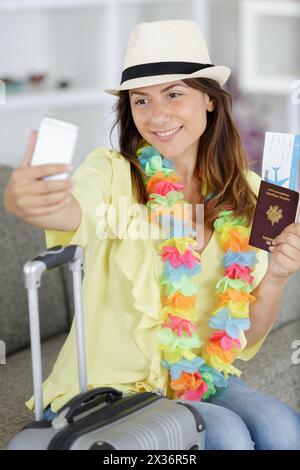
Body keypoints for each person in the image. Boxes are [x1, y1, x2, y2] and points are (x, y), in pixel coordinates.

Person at [4, 19, 300, 450]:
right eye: (141, 100)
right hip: (109, 389)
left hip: (199, 378)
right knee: (227, 437)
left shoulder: (252, 195)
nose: (157, 115)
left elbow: (244, 336)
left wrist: (278, 275)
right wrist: (32, 200)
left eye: (174, 94)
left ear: (210, 101)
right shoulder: (111, 173)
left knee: (282, 427)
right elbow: (72, 209)